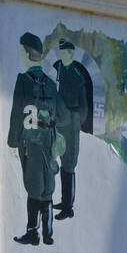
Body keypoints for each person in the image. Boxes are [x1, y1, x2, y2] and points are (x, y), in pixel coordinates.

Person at [7, 31, 67, 246]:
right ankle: (48, 232)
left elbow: (16, 114)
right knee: (47, 186)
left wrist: (12, 142)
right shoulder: (51, 84)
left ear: (26, 52)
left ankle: (33, 232)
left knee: (34, 187)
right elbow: (63, 115)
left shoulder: (23, 81)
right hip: (49, 142)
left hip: (30, 142)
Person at [53, 39, 91, 219]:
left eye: (64, 52)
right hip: (62, 121)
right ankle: (64, 200)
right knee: (63, 163)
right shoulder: (62, 70)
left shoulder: (76, 75)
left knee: (69, 165)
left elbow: (83, 106)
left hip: (72, 122)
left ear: (70, 54)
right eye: (60, 52)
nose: (61, 55)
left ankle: (68, 208)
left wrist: (76, 122)